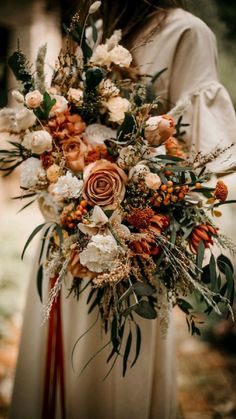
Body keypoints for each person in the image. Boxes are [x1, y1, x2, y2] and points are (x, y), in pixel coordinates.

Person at [9, 1, 236, 419]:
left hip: (131, 253)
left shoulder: (186, 32)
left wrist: (133, 192)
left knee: (117, 379)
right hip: (67, 237)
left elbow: (203, 158)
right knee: (63, 369)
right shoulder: (95, 27)